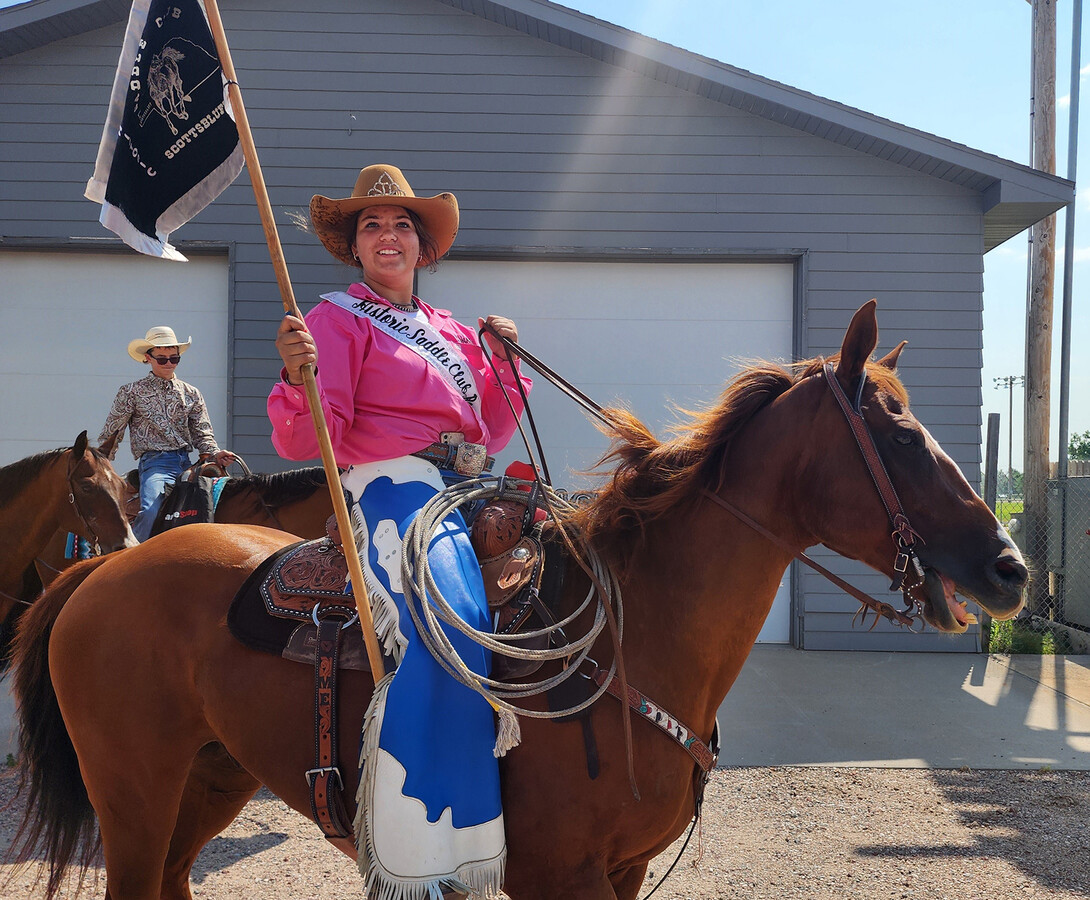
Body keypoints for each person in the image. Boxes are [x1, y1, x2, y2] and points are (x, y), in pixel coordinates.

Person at [268, 164, 531, 899]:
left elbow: (492, 427)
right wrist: (297, 380)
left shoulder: (449, 330)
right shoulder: (335, 319)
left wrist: (503, 364)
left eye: (402, 225)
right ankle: (420, 847)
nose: (389, 235)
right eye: (372, 226)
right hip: (392, 484)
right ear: (355, 248)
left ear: (424, 247)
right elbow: (308, 440)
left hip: (467, 483)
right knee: (444, 618)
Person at [98, 326, 236, 541]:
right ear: (148, 358)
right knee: (152, 511)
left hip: (188, 463)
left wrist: (215, 454)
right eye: (162, 359)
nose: (169, 363)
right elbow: (113, 432)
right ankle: (130, 559)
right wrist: (102, 463)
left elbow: (203, 432)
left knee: (221, 506)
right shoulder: (131, 392)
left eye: (174, 358)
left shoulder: (191, 393)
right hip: (155, 463)